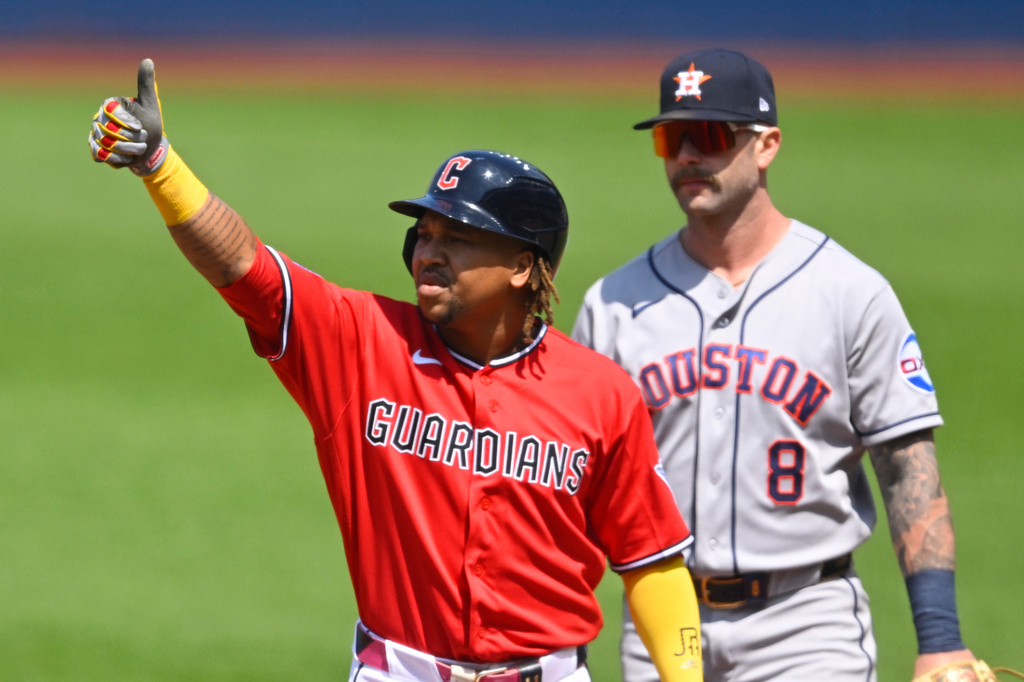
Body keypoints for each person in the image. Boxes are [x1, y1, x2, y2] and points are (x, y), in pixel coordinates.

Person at [89, 59, 706, 682]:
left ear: (524, 267)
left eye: (459, 236)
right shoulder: (359, 342)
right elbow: (244, 269)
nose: (429, 252)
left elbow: (650, 559)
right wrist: (160, 167)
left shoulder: (601, 394)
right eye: (424, 233)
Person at [572, 48, 981, 681]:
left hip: (807, 625)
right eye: (670, 137)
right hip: (659, 622)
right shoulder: (614, 303)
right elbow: (574, 487)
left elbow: (907, 469)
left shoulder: (849, 291)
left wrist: (941, 638)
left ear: (766, 146)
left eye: (708, 134)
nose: (686, 156)